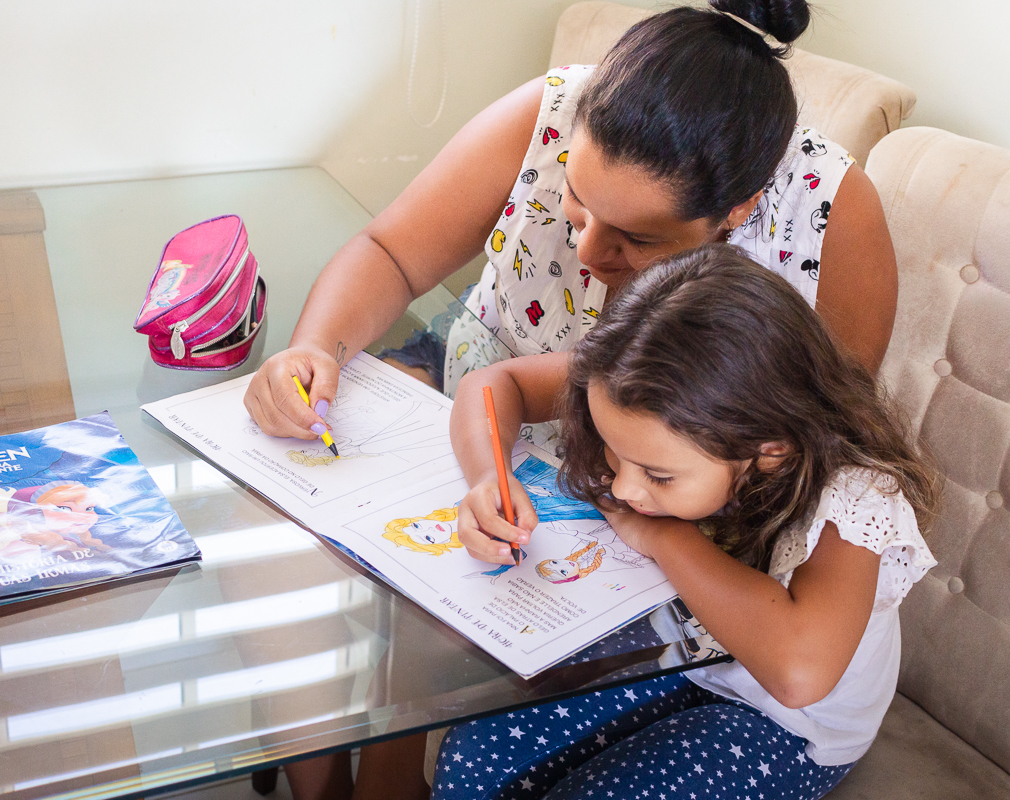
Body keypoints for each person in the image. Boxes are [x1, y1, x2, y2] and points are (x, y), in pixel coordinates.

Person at [255, 0, 899, 795]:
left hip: (688, 584)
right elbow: (411, 276)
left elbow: (810, 524)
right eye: (576, 202)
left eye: (638, 238)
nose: (586, 251)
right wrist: (318, 350)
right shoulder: (630, 353)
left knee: (435, 658)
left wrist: (649, 525)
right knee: (296, 542)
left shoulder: (756, 388)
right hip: (547, 459)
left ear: (737, 214)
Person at [436, 245, 940, 800]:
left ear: (767, 452)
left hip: (787, 724)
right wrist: (489, 478)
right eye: (613, 451)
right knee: (472, 757)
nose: (624, 489)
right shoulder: (632, 381)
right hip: (679, 663)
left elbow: (800, 675)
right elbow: (493, 385)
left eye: (658, 474)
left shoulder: (856, 497)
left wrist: (663, 536)